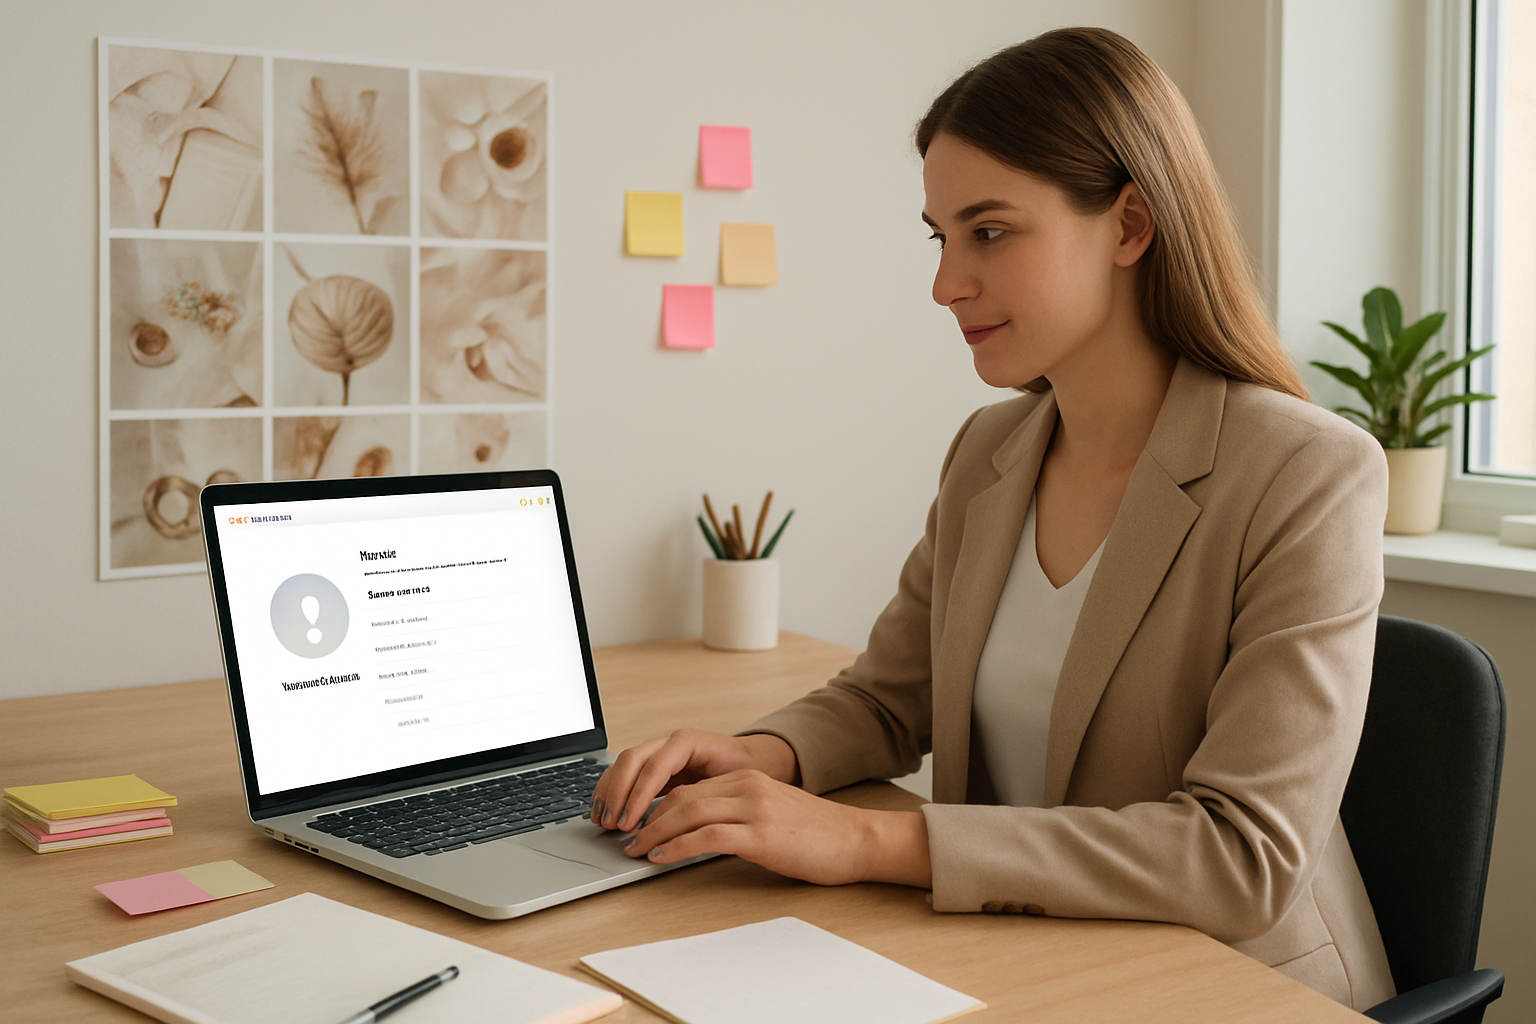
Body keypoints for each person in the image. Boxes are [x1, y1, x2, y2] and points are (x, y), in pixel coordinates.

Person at [590, 26, 1395, 1011]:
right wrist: (756, 757)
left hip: (1228, 985)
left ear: (1131, 226)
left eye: (992, 232)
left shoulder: (1309, 472)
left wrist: (865, 839)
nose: (946, 283)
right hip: (1025, 964)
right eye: (941, 236)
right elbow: (891, 699)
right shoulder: (989, 454)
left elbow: (1240, 855)